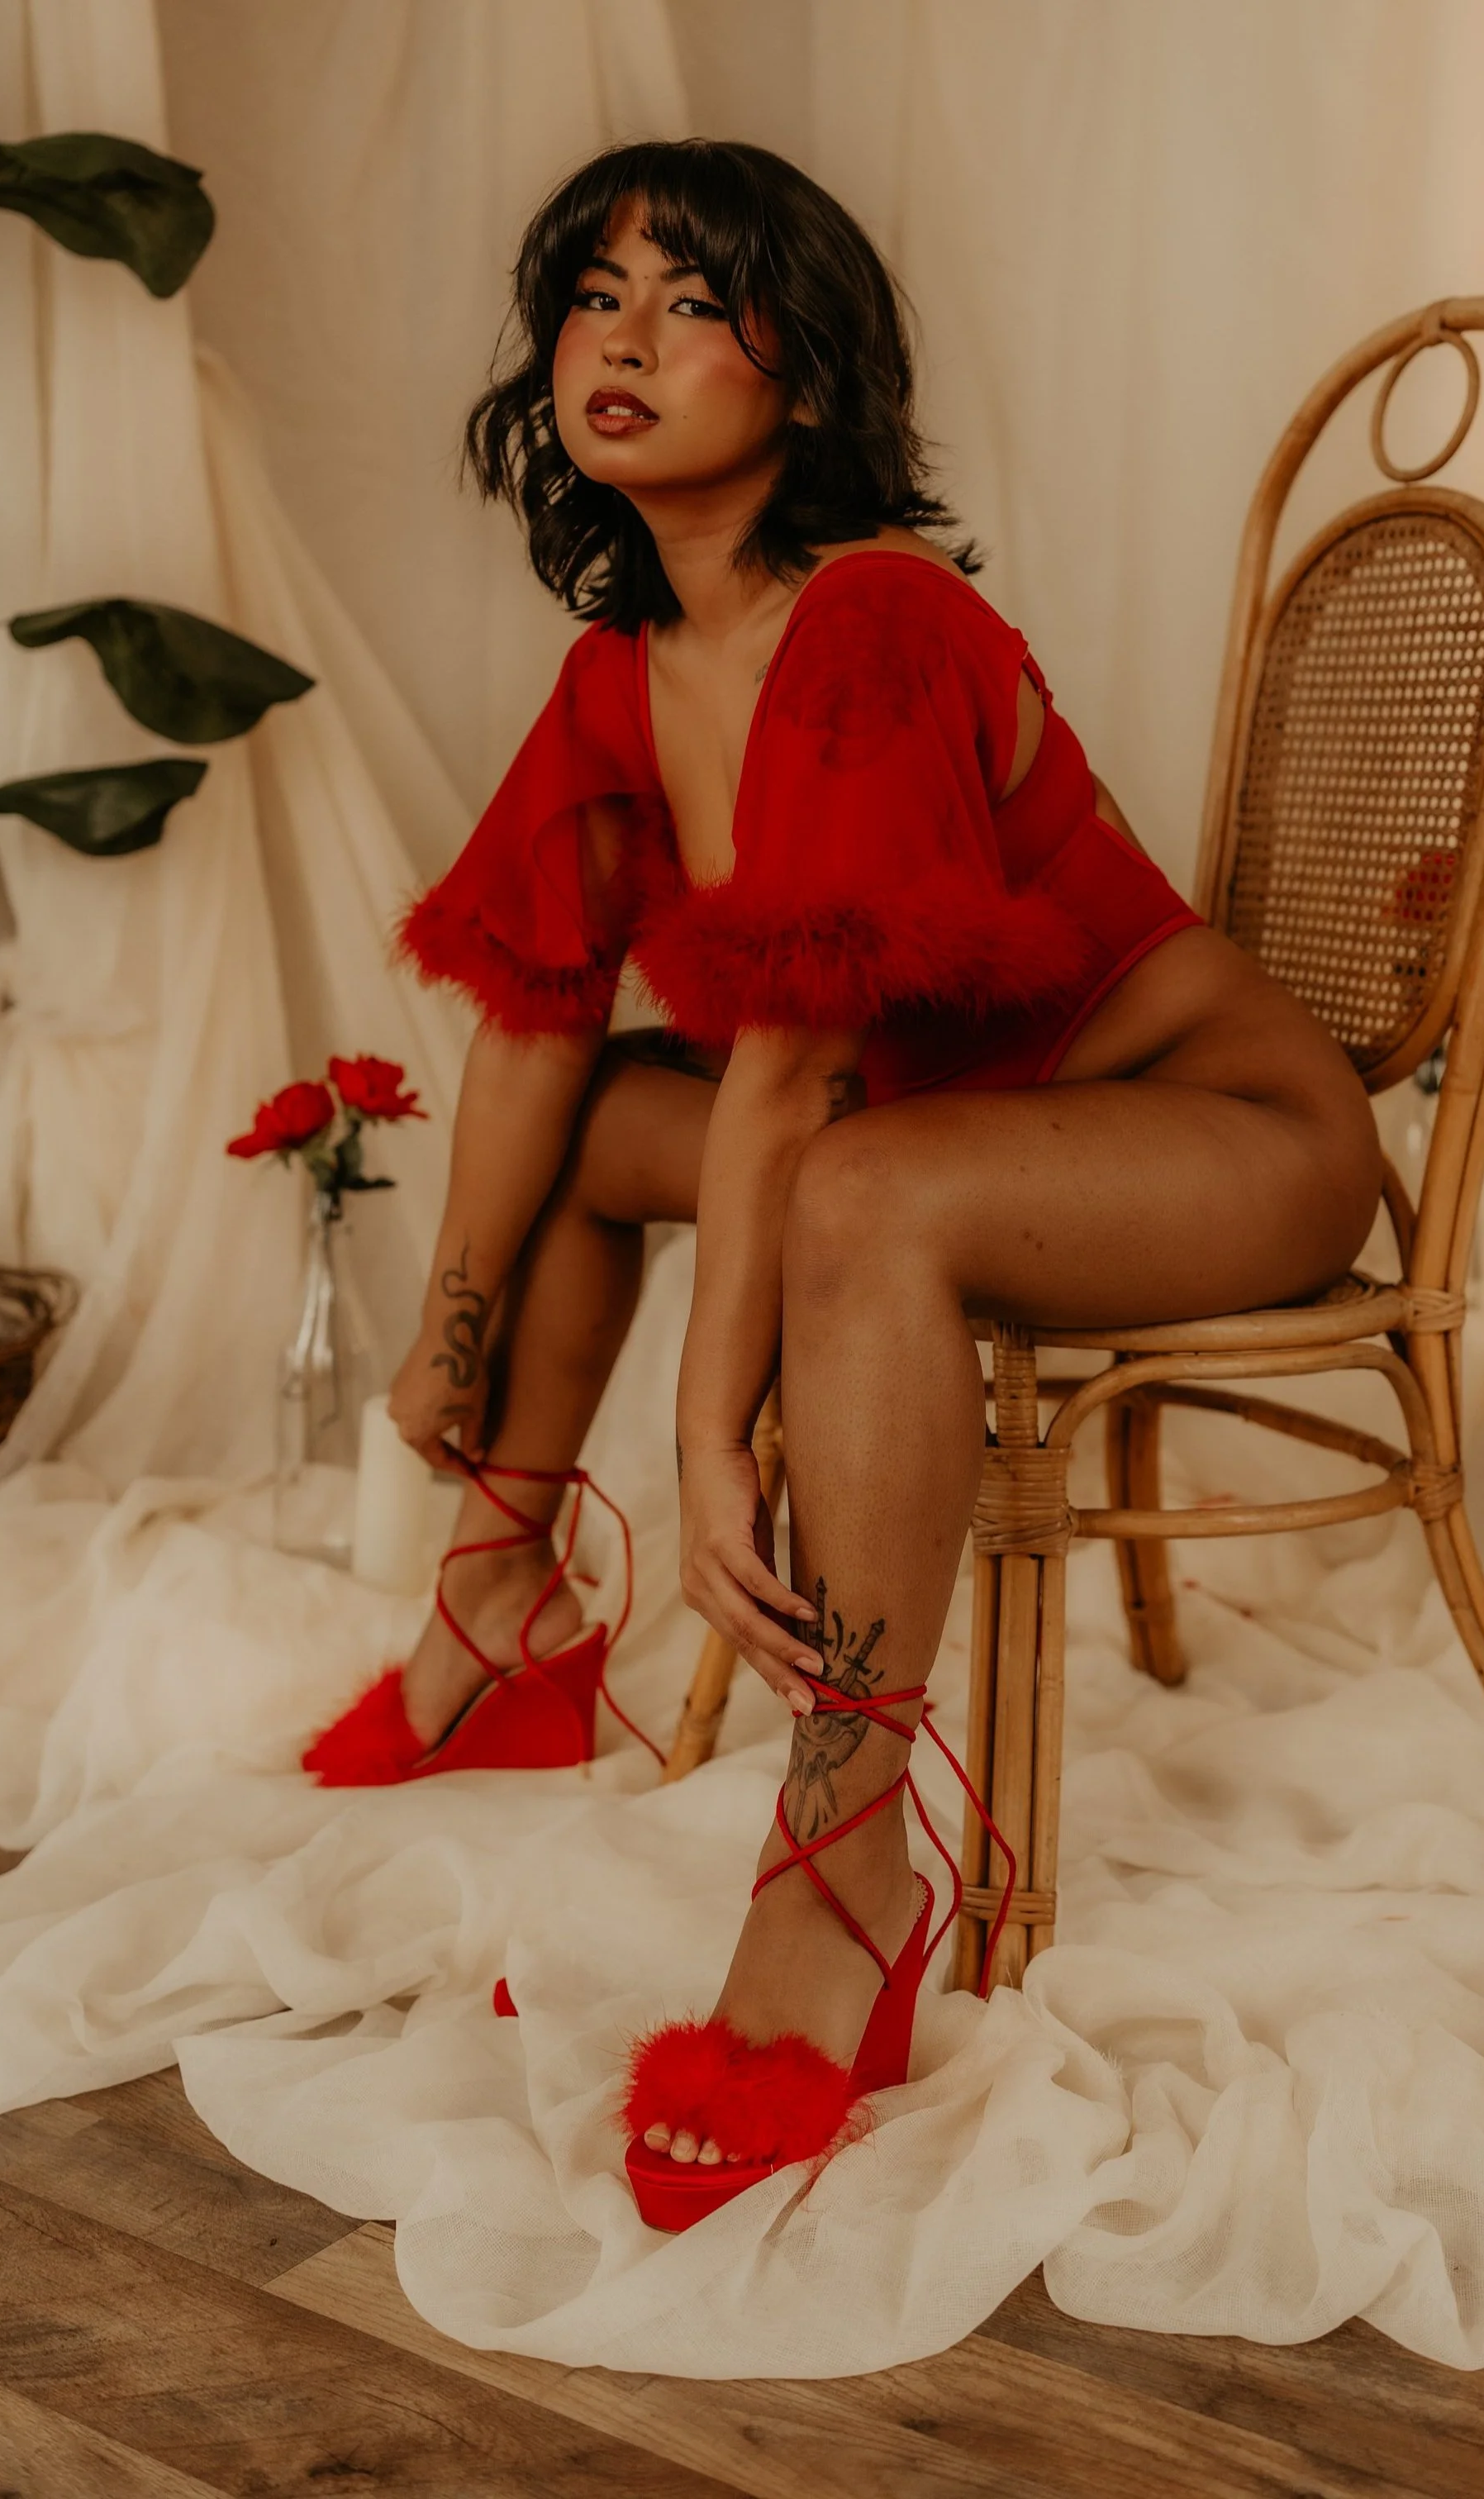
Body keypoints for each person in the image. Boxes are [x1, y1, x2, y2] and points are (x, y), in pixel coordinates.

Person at [302, 138, 1382, 2229]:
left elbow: (797, 1075)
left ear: (804, 379)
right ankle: (502, 1603)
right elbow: (535, 1017)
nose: (624, 338)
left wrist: (710, 1449)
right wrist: (438, 1344)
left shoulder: (875, 620)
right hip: (941, 1149)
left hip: (1229, 1138)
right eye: (595, 295)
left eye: (695, 302)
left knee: (864, 1189)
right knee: (618, 1096)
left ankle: (842, 1859)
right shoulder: (626, 666)